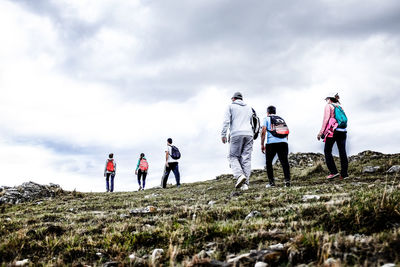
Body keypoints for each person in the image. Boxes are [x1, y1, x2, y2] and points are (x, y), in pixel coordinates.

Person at [221, 92, 254, 190]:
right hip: (249, 134)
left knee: (232, 156)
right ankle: (245, 184)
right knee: (246, 158)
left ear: (233, 99)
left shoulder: (230, 106)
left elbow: (226, 121)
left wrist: (223, 134)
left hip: (236, 134)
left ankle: (239, 175)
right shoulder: (249, 108)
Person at [317, 93, 349, 180]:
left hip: (333, 131)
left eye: (327, 99)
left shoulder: (329, 106)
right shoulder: (339, 106)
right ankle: (344, 174)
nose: (326, 101)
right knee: (342, 151)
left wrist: (321, 132)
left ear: (329, 99)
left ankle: (334, 172)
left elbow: (326, 119)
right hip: (343, 131)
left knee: (327, 151)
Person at [261, 106, 291, 188]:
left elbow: (263, 132)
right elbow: (286, 132)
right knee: (284, 162)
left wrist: (262, 144)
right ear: (275, 112)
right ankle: (287, 181)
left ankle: (271, 183)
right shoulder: (280, 119)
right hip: (284, 142)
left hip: (271, 143)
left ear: (267, 112)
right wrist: (285, 141)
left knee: (268, 162)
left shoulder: (266, 119)